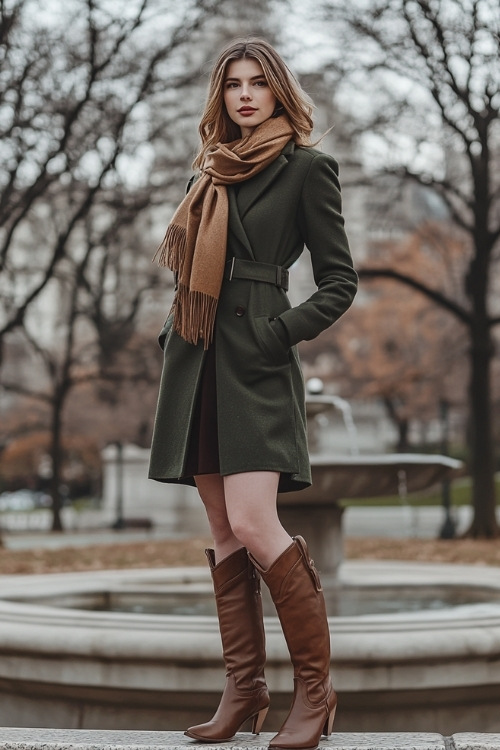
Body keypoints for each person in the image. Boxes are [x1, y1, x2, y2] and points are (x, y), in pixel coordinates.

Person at [149, 37, 358, 750]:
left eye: (257, 84)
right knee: (221, 528)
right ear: (221, 95)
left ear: (277, 93)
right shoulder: (208, 171)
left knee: (254, 520)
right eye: (233, 84)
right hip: (196, 359)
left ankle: (317, 694)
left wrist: (277, 334)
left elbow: (340, 283)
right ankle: (245, 689)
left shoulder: (307, 169)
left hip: (256, 361)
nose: (244, 95)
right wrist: (168, 339)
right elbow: (189, 275)